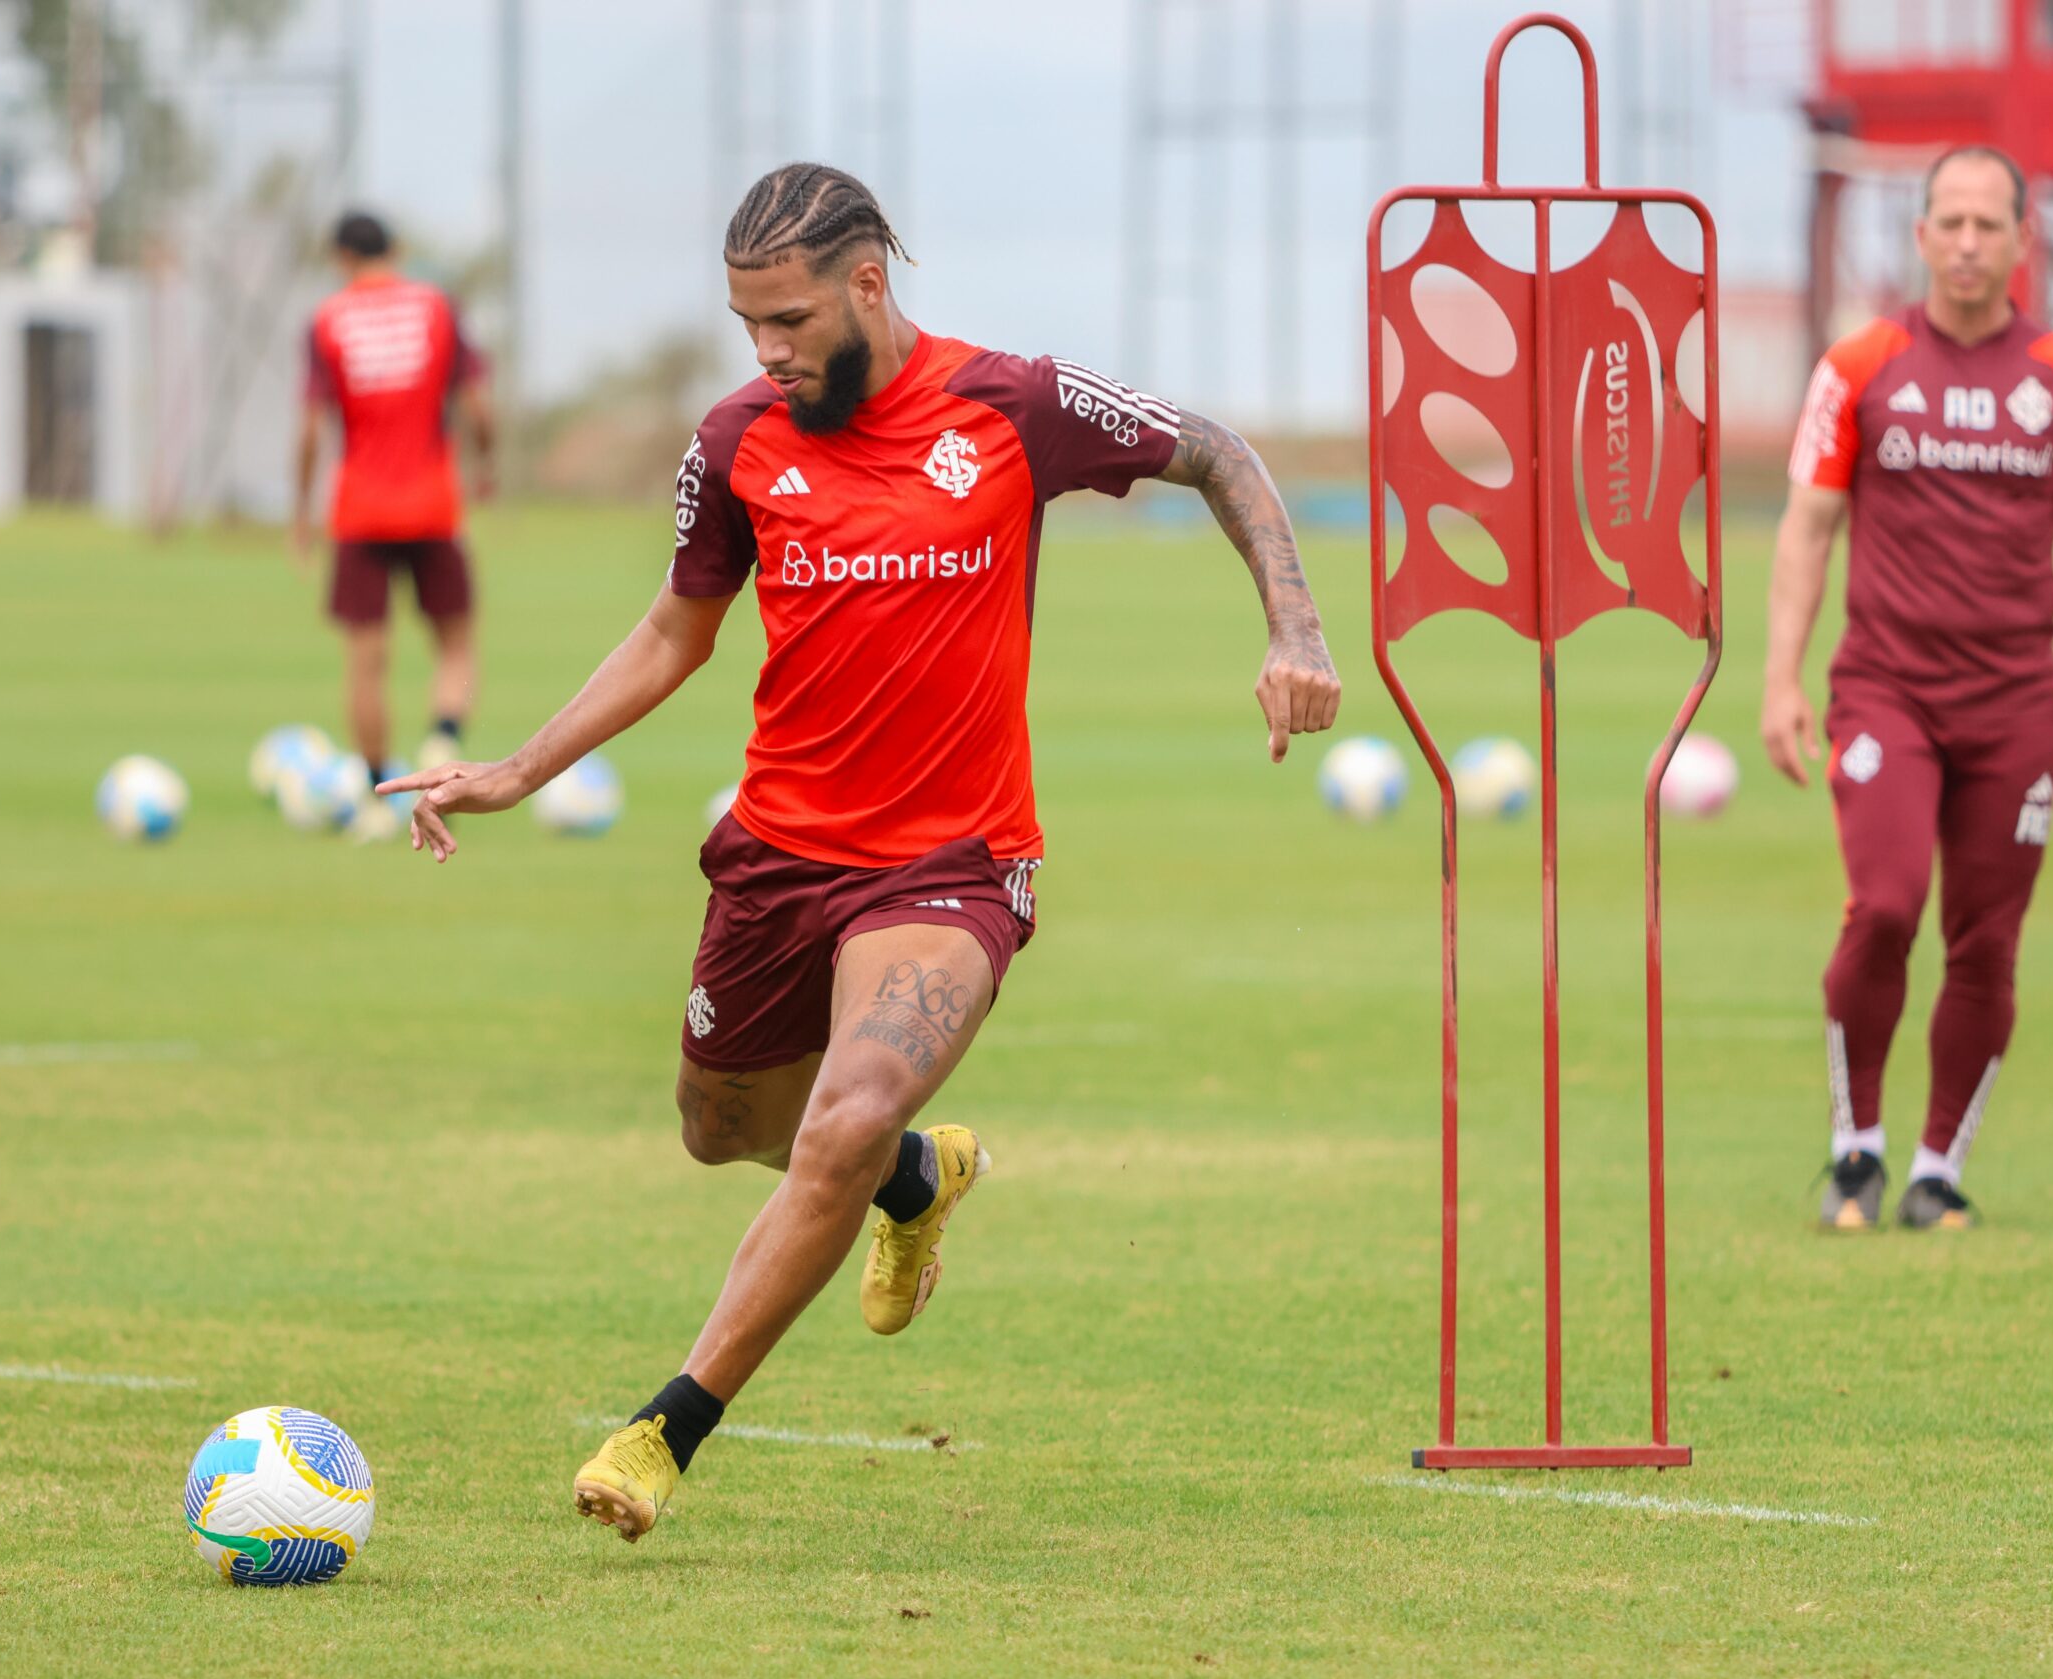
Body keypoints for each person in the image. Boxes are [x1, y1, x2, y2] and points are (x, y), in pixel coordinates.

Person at [378, 163, 1341, 1540]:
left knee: (836, 1115)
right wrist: (519, 767)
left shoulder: (1010, 406)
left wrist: (1295, 625)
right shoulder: (734, 441)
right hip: (777, 853)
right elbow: (673, 629)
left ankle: (669, 1424)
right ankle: (913, 1176)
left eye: (786, 319)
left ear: (868, 285)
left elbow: (1217, 451)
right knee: (724, 1129)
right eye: (745, 324)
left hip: (948, 865)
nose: (766, 351)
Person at [1766, 145, 2053, 1232]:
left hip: (2015, 706)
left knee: (1984, 943)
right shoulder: (1859, 366)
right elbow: (1806, 526)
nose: (1971, 243)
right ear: (1922, 236)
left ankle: (1936, 1169)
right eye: (1952, 223)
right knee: (1883, 906)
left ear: (2021, 241)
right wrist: (1778, 678)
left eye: (1991, 225)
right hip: (1884, 693)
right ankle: (1856, 1150)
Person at [292, 210, 497, 809]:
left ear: (340, 259)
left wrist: (303, 511)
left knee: (366, 663)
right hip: (433, 506)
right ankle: (442, 738)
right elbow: (478, 408)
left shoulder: (327, 321)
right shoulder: (436, 308)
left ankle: (379, 792)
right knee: (456, 644)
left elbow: (310, 429)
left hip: (359, 512)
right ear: (396, 250)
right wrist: (485, 467)